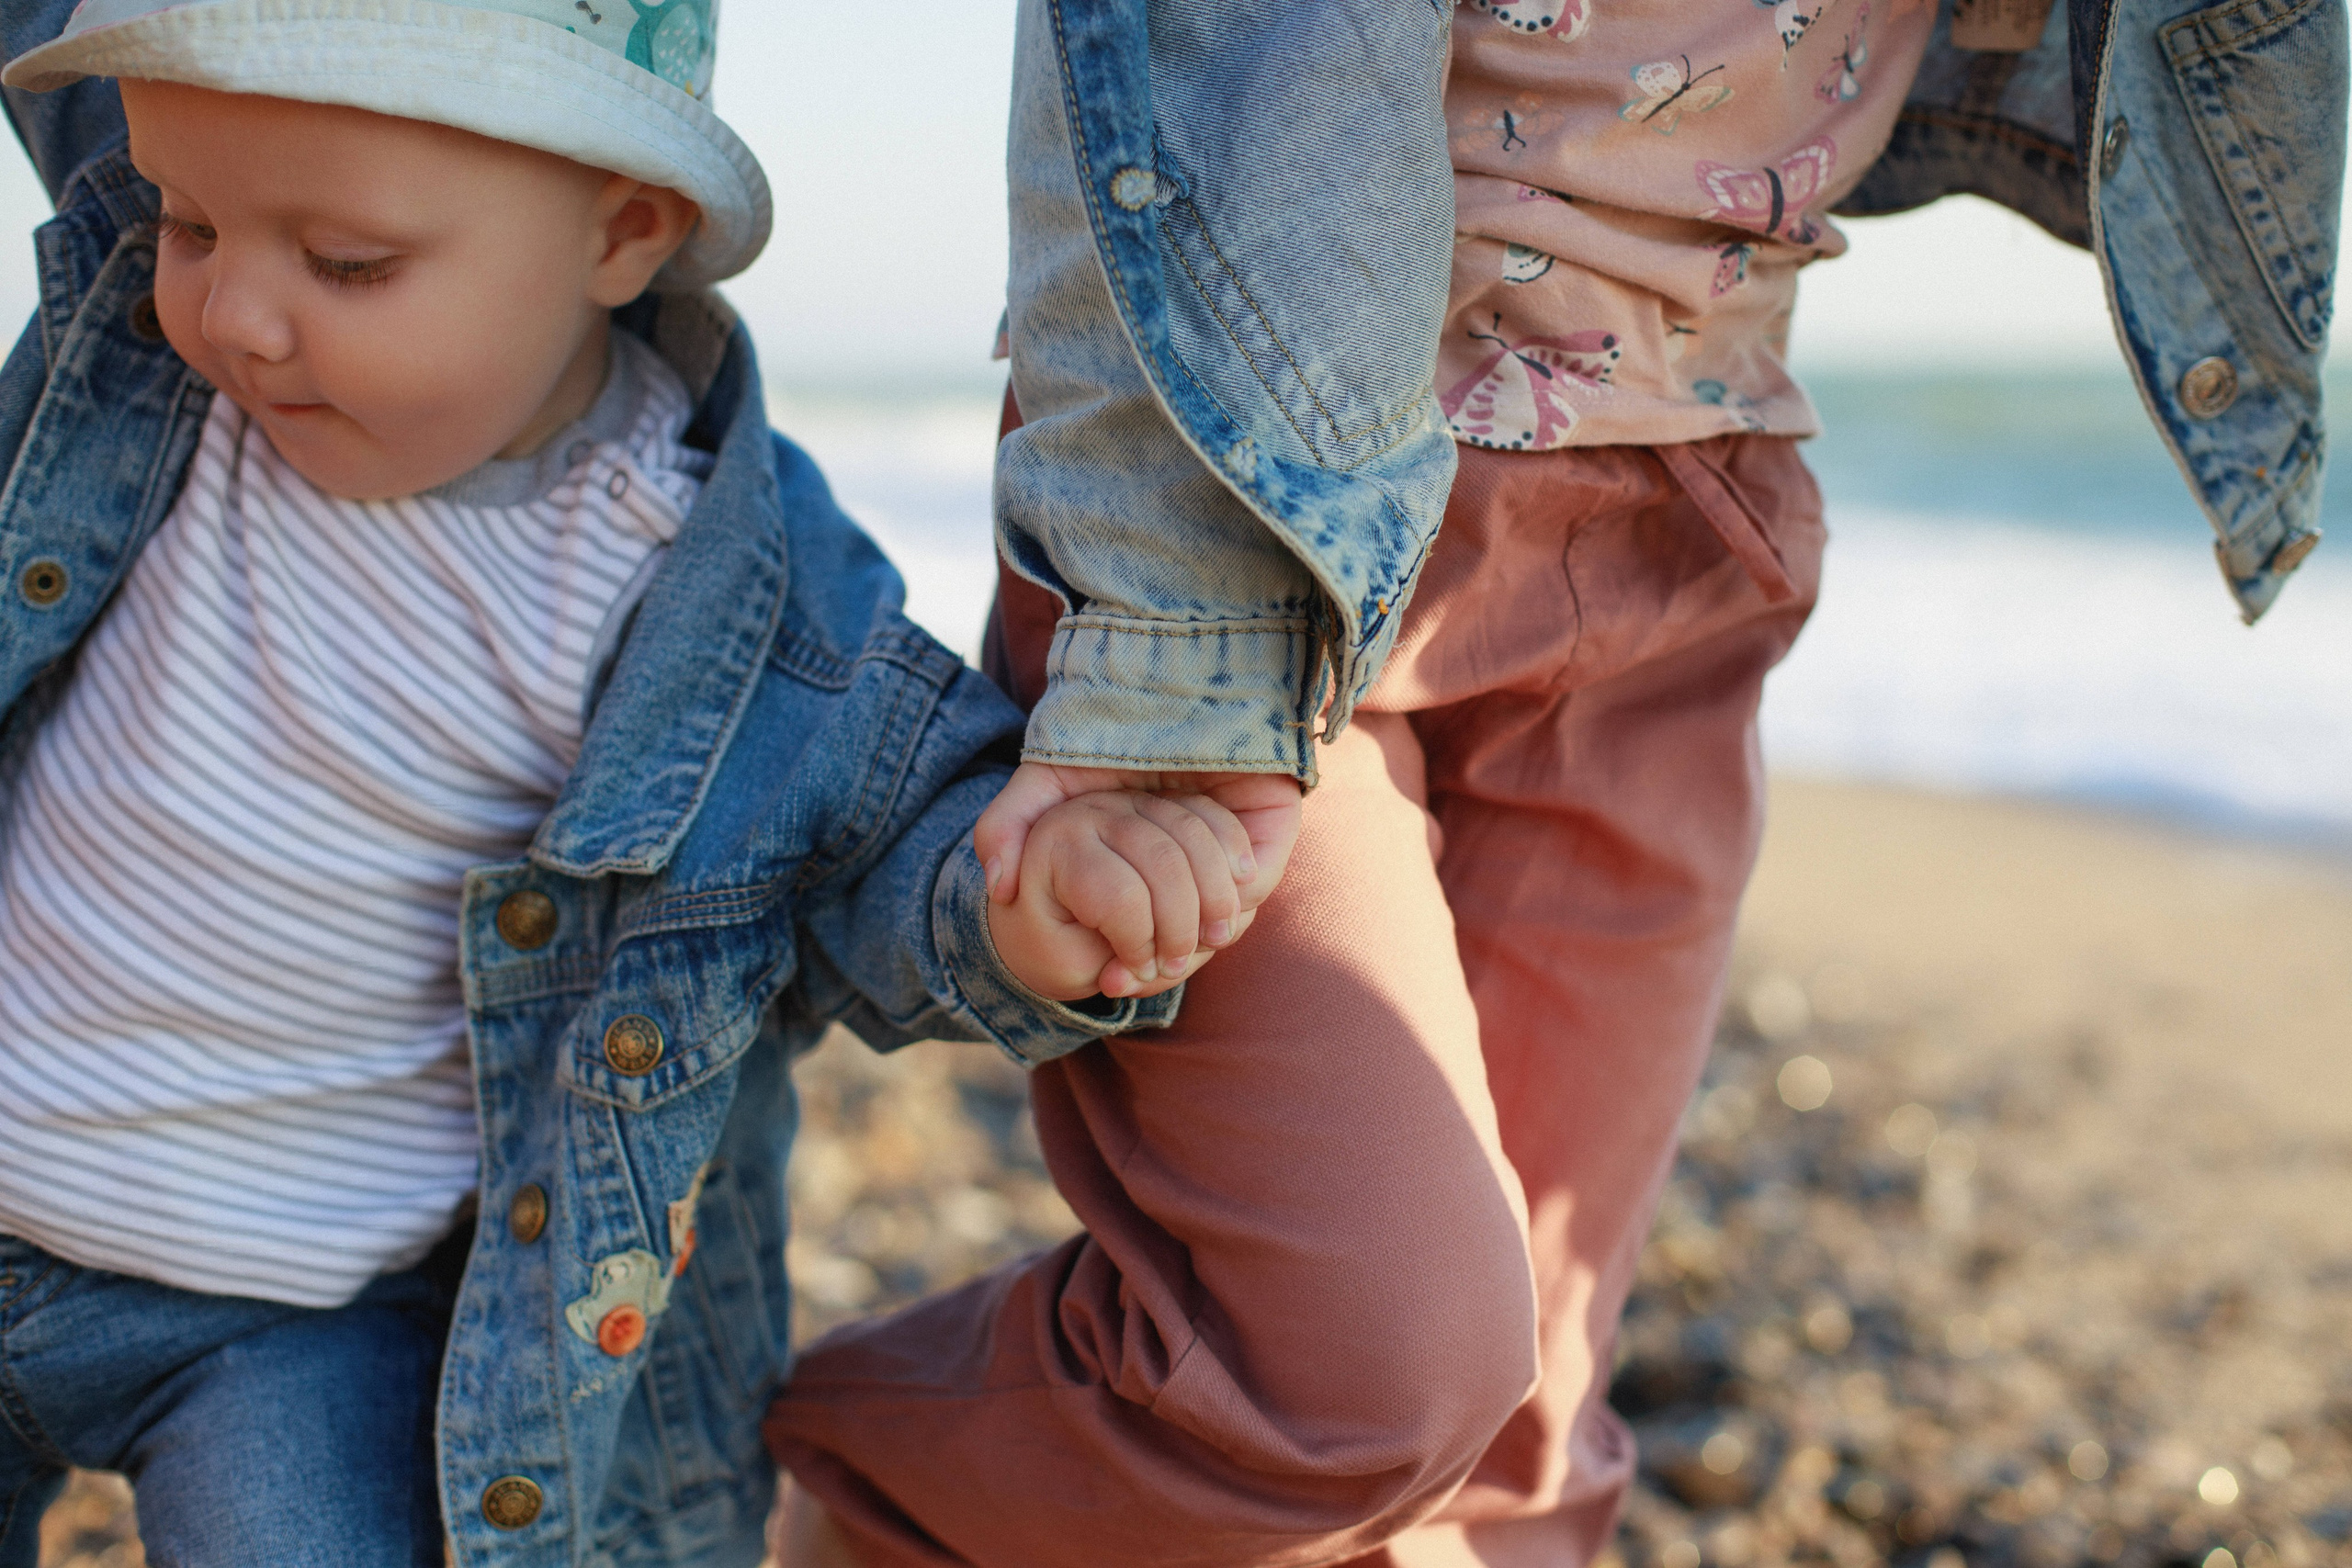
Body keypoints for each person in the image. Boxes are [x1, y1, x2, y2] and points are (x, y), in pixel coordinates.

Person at [766, 0, 2346, 1564]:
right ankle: (836, 1499)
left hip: (1689, 531)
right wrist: (1158, 659)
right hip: (1259, 559)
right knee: (1346, 1372)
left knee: (1522, 1438)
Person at [0, 3, 1280, 1563]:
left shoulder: (713, 598)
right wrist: (230, 239)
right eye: (188, 221)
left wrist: (1034, 902)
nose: (239, 315)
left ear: (623, 229)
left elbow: (885, 843)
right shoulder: (163, 360)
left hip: (282, 1325)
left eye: (345, 267)